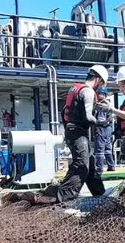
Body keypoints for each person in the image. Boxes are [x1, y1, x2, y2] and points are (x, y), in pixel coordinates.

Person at [39, 65, 108, 204]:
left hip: (72, 131)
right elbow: (88, 117)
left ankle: (100, 194)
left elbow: (66, 111)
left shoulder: (75, 89)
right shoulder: (88, 92)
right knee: (82, 165)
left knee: (90, 164)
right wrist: (101, 123)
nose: (99, 87)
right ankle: (64, 197)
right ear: (98, 79)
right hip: (78, 133)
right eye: (100, 84)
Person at [94, 86, 115, 173]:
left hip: (102, 128)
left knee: (100, 148)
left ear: (104, 94)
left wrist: (97, 123)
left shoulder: (101, 105)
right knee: (107, 148)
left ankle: (99, 167)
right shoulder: (109, 104)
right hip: (108, 128)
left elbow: (101, 119)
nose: (99, 95)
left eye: (100, 94)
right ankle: (111, 165)